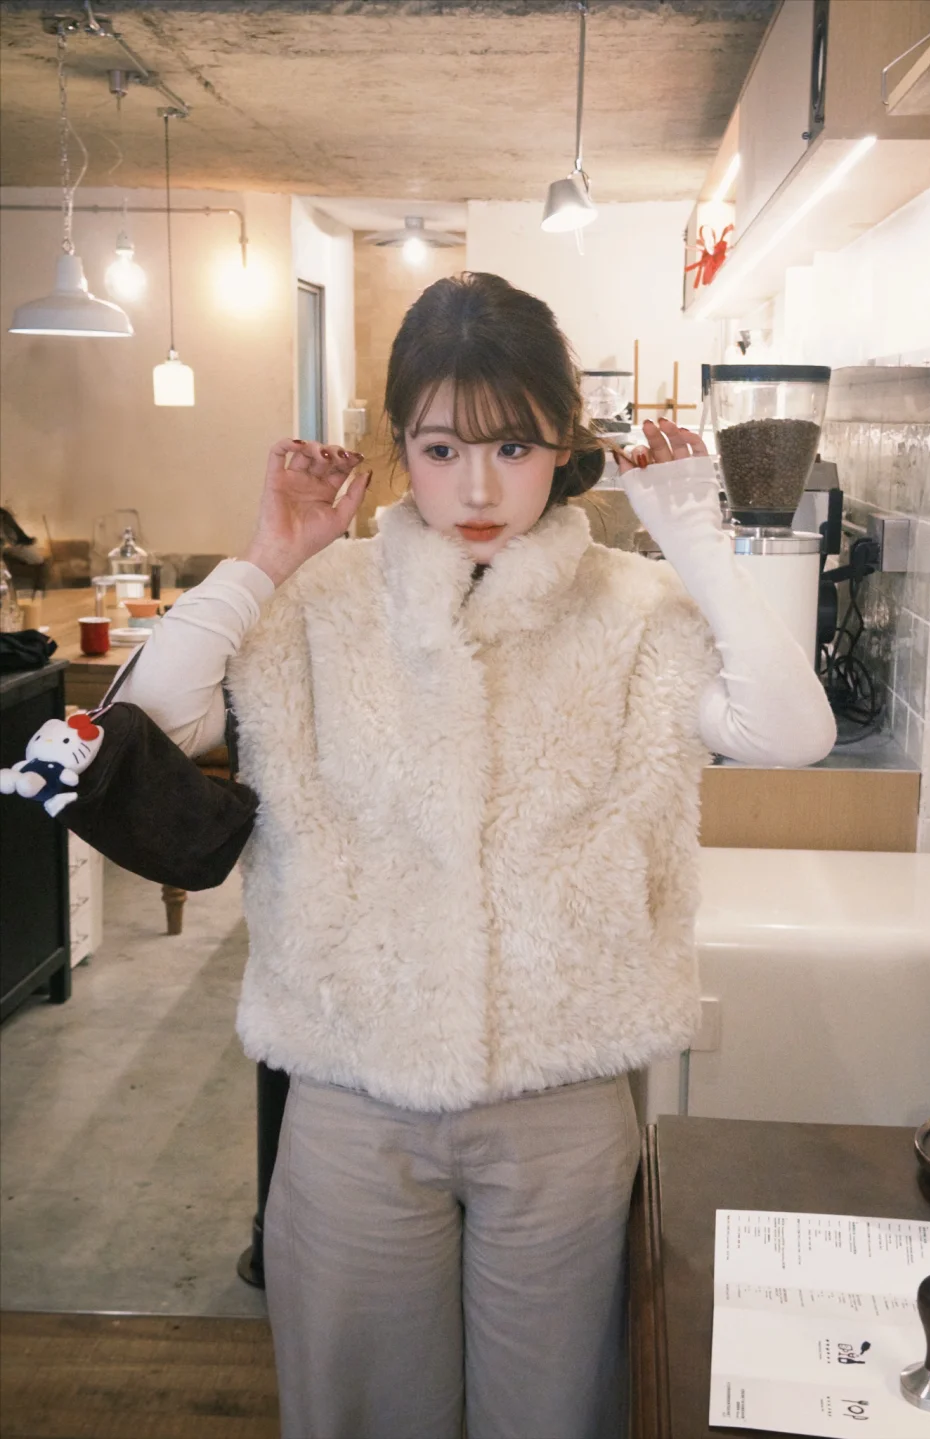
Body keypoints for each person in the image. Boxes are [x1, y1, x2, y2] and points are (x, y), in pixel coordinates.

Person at [119, 272, 836, 1439]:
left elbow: (792, 730)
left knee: (556, 1414)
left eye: (514, 445)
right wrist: (269, 551)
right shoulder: (319, 598)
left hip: (563, 1093)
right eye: (442, 448)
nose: (481, 487)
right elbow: (153, 715)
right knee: (359, 1411)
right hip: (351, 1087)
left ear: (564, 442)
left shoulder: (634, 606)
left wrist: (692, 531)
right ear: (402, 445)